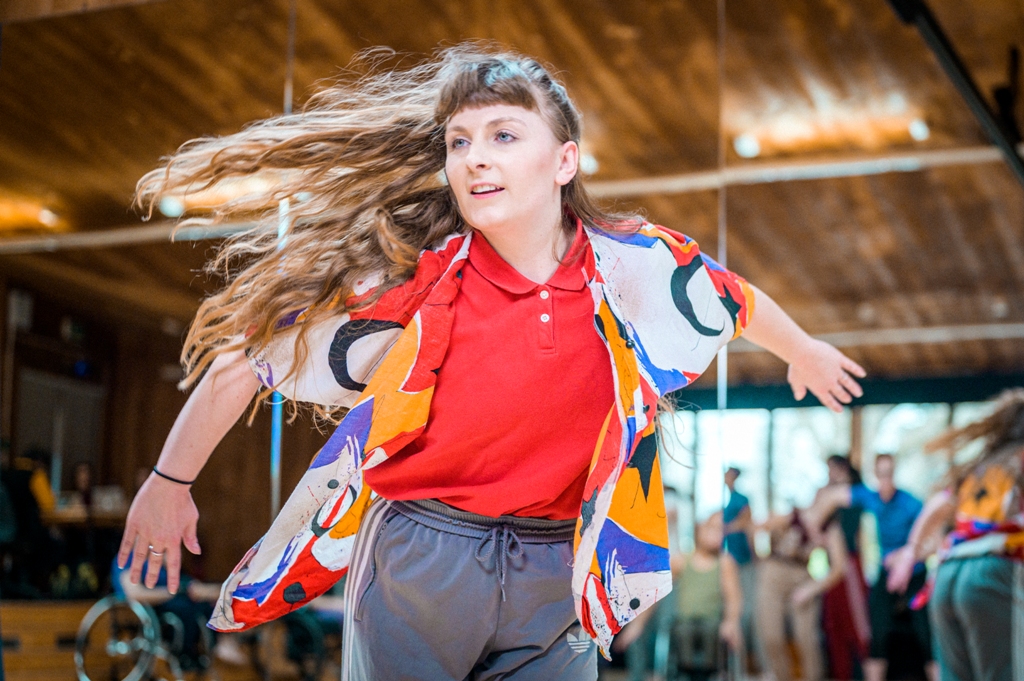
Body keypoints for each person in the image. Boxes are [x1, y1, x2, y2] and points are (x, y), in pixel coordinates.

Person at [117, 44, 866, 680]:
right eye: (459, 141)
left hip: (556, 560)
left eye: (504, 135)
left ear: (564, 159)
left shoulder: (632, 264)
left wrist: (802, 348)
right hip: (421, 555)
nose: (475, 157)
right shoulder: (415, 277)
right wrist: (168, 480)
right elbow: (244, 363)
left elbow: (730, 298)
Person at [886, 389, 1024, 681]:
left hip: (948, 575)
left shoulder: (982, 466)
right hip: (994, 571)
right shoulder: (1018, 460)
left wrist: (912, 549)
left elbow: (938, 505)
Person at [813, 454, 935, 681]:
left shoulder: (911, 503)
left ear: (894, 473)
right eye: (880, 474)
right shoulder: (870, 497)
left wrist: (904, 555)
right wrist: (817, 528)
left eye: (888, 473)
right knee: (876, 635)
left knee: (925, 635)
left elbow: (934, 540)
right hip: (885, 574)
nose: (884, 479)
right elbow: (832, 497)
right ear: (876, 475)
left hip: (914, 572)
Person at [620, 512, 742, 681]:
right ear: (700, 529)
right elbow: (656, 590)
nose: (717, 534)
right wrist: (637, 625)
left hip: (713, 626)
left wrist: (731, 622)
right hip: (683, 626)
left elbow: (733, 598)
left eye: (721, 530)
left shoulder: (725, 563)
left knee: (709, 633)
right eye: (712, 528)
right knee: (683, 632)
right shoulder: (682, 560)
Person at [757, 507, 848, 681]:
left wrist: (811, 589)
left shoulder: (831, 529)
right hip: (773, 573)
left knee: (806, 639)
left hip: (802, 577)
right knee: (771, 637)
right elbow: (761, 526)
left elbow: (839, 568)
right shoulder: (793, 516)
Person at [819, 455, 870, 680]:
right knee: (834, 624)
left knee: (856, 626)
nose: (829, 474)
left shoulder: (856, 496)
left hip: (850, 566)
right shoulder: (827, 497)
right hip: (833, 569)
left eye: (832, 469)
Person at [721, 466, 760, 671]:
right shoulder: (727, 501)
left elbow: (748, 525)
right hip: (729, 561)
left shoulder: (741, 500)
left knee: (745, 612)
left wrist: (754, 555)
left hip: (743, 560)